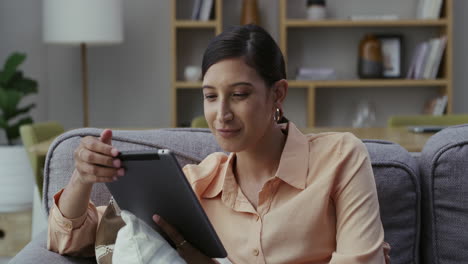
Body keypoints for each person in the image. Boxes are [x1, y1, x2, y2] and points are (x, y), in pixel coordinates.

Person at [48, 24, 390, 263]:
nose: (222, 113)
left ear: (278, 94)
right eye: (210, 97)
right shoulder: (196, 185)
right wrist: (83, 177)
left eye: (239, 94)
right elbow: (76, 241)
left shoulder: (341, 157)